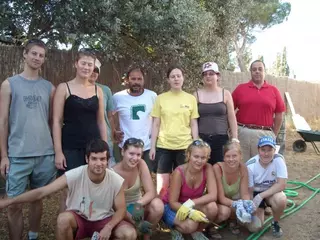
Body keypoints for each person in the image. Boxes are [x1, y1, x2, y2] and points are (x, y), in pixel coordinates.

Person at [0, 139, 136, 240]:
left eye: (102, 159)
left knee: (129, 234)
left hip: (104, 219)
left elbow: (121, 209)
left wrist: (109, 227)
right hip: (80, 218)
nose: (99, 163)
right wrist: (10, 201)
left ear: (107, 161)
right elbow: (42, 191)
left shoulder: (115, 179)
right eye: (94, 159)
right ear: (87, 159)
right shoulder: (75, 174)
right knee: (63, 219)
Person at [0, 39, 56, 240]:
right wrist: (4, 156)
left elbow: (53, 121)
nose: (37, 58)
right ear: (25, 54)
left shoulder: (49, 87)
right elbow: (3, 121)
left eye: (41, 55)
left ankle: (33, 236)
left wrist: (55, 151)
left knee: (37, 199)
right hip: (18, 154)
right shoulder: (9, 84)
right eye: (34, 53)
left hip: (44, 154)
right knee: (13, 204)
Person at [53, 48, 107, 211]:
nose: (86, 67)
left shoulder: (98, 90)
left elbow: (101, 121)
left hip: (93, 148)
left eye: (89, 64)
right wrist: (58, 151)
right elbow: (56, 121)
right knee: (69, 189)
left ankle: (87, 224)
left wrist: (105, 149)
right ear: (76, 64)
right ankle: (65, 226)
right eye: (83, 63)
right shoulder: (64, 88)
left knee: (93, 188)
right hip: (70, 147)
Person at [150, 66, 199, 197]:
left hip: (184, 146)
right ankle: (162, 211)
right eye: (173, 76)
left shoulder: (191, 99)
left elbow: (193, 123)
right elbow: (155, 124)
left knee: (184, 183)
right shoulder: (160, 98)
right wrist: (152, 147)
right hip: (164, 146)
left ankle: (183, 210)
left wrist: (195, 144)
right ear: (168, 80)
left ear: (183, 78)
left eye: (178, 76)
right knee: (162, 186)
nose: (176, 79)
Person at [162, 139, 218, 240]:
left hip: (191, 204)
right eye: (196, 156)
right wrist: (190, 212)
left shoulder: (208, 168)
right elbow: (172, 202)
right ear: (188, 155)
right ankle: (174, 229)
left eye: (203, 157)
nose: (199, 161)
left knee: (213, 207)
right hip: (173, 207)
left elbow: (213, 195)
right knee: (191, 225)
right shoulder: (179, 172)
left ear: (207, 158)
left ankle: (197, 232)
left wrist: (191, 203)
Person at [232, 60, 285, 162]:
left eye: (260, 69)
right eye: (254, 69)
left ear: (264, 72)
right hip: (242, 133)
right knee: (242, 166)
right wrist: (233, 131)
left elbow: (279, 114)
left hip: (264, 135)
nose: (257, 71)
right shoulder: (240, 89)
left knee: (262, 167)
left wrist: (274, 134)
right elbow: (230, 111)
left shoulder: (273, 90)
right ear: (250, 72)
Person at [112, 138, 164, 240]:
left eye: (138, 155)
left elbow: (151, 192)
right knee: (130, 235)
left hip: (138, 207)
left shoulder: (141, 164)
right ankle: (137, 229)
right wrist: (135, 221)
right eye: (131, 154)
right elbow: (115, 206)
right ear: (122, 152)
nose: (135, 158)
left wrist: (138, 204)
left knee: (158, 205)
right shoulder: (113, 172)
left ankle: (146, 236)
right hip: (122, 211)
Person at [112, 67, 157, 171]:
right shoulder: (118, 97)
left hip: (146, 146)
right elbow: (110, 115)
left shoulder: (152, 96)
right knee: (124, 177)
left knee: (145, 176)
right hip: (125, 146)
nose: (136, 82)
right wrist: (114, 130)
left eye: (139, 79)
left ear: (143, 80)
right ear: (127, 80)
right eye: (133, 79)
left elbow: (157, 119)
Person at [194, 62, 238, 165]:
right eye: (205, 74)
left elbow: (231, 117)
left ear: (217, 76)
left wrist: (235, 138)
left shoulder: (225, 94)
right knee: (202, 170)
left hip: (221, 139)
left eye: (211, 73)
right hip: (202, 139)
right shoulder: (196, 95)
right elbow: (193, 119)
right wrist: (195, 138)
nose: (208, 76)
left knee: (220, 169)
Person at [246, 136, 288, 237]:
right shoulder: (250, 165)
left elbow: (282, 184)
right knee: (254, 227)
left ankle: (275, 222)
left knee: (281, 199)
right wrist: (253, 207)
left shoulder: (279, 159)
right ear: (258, 150)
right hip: (255, 193)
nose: (266, 153)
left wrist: (262, 196)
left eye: (270, 150)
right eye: (263, 150)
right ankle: (262, 209)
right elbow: (249, 191)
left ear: (274, 150)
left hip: (270, 192)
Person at [213, 141, 251, 235]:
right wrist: (238, 205)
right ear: (223, 157)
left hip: (230, 200)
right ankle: (210, 226)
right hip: (216, 202)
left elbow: (244, 194)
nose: (231, 159)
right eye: (228, 156)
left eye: (234, 156)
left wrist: (247, 204)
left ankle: (231, 221)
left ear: (240, 156)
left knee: (245, 207)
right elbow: (220, 198)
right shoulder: (217, 168)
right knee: (225, 212)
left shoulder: (243, 168)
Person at [89, 58, 116, 167]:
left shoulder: (105, 90)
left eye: (97, 70)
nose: (94, 72)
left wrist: (113, 133)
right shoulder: (73, 89)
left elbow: (110, 116)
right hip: (85, 137)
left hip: (105, 137)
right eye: (92, 69)